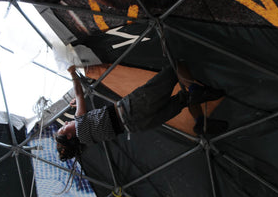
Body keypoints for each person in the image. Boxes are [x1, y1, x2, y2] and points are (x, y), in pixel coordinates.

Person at [55, 65, 228, 160]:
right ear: (70, 136)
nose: (66, 123)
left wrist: (77, 107)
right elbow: (79, 95)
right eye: (64, 128)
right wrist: (73, 73)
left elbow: (91, 118)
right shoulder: (80, 125)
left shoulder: (87, 141)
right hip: (132, 108)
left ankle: (200, 121)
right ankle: (196, 90)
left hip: (139, 125)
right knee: (175, 67)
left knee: (183, 100)